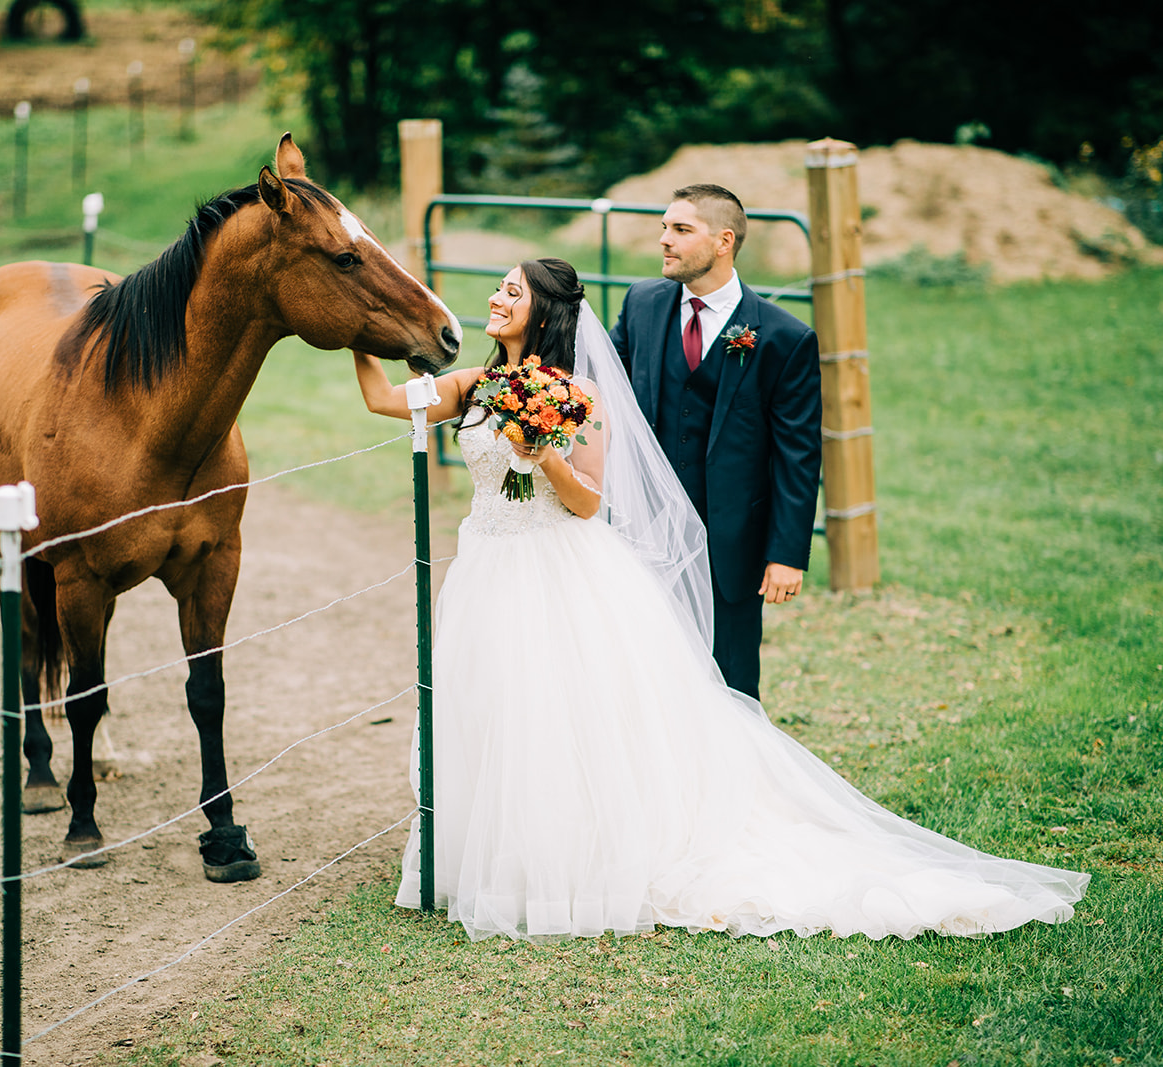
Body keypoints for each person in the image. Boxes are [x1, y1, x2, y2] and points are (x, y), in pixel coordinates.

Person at [351, 257, 1088, 944]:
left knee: (557, 711)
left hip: (556, 567)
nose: (495, 299)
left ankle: (564, 865)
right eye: (500, 289)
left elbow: (588, 503)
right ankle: (490, 854)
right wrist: (355, 328)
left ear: (540, 315)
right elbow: (383, 398)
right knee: (490, 705)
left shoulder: (580, 397)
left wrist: (543, 453)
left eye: (511, 292)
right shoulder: (471, 385)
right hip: (487, 567)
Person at [609, 184, 822, 699]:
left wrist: (786, 554)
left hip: (730, 545)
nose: (664, 240)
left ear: (723, 241)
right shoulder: (642, 303)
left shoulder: (783, 338)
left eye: (681, 230)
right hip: (643, 529)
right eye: (664, 228)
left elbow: (798, 454)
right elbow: (602, 386)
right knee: (642, 672)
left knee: (729, 682)